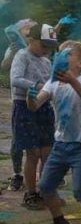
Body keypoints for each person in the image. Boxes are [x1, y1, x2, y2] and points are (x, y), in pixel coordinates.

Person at [29, 43, 81, 224]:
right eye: (61, 52)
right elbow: (35, 106)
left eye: (68, 53)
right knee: (45, 187)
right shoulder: (53, 83)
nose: (61, 55)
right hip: (61, 143)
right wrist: (30, 97)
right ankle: (59, 221)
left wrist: (72, 81)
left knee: (80, 190)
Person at [11, 23, 58, 208]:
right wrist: (38, 86)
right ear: (31, 40)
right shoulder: (22, 56)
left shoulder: (46, 61)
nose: (47, 50)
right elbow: (15, 79)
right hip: (24, 106)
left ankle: (46, 190)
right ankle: (31, 194)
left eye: (49, 47)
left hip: (44, 107)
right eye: (43, 45)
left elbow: (52, 81)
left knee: (47, 152)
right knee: (33, 154)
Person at [3, 18, 36, 192]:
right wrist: (12, 53)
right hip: (20, 99)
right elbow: (4, 67)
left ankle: (45, 175)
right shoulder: (14, 47)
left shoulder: (37, 47)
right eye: (27, 28)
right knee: (17, 139)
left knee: (40, 139)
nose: (30, 30)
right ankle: (17, 174)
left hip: (40, 99)